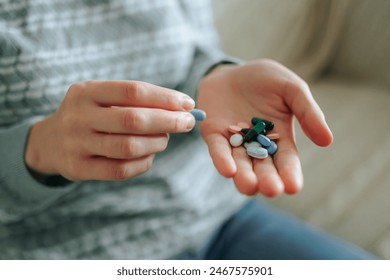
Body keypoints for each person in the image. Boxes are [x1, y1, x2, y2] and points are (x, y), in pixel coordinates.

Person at [0, 0, 375, 259]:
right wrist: (36, 151)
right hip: (70, 253)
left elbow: (193, 51)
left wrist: (215, 75)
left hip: (214, 216)